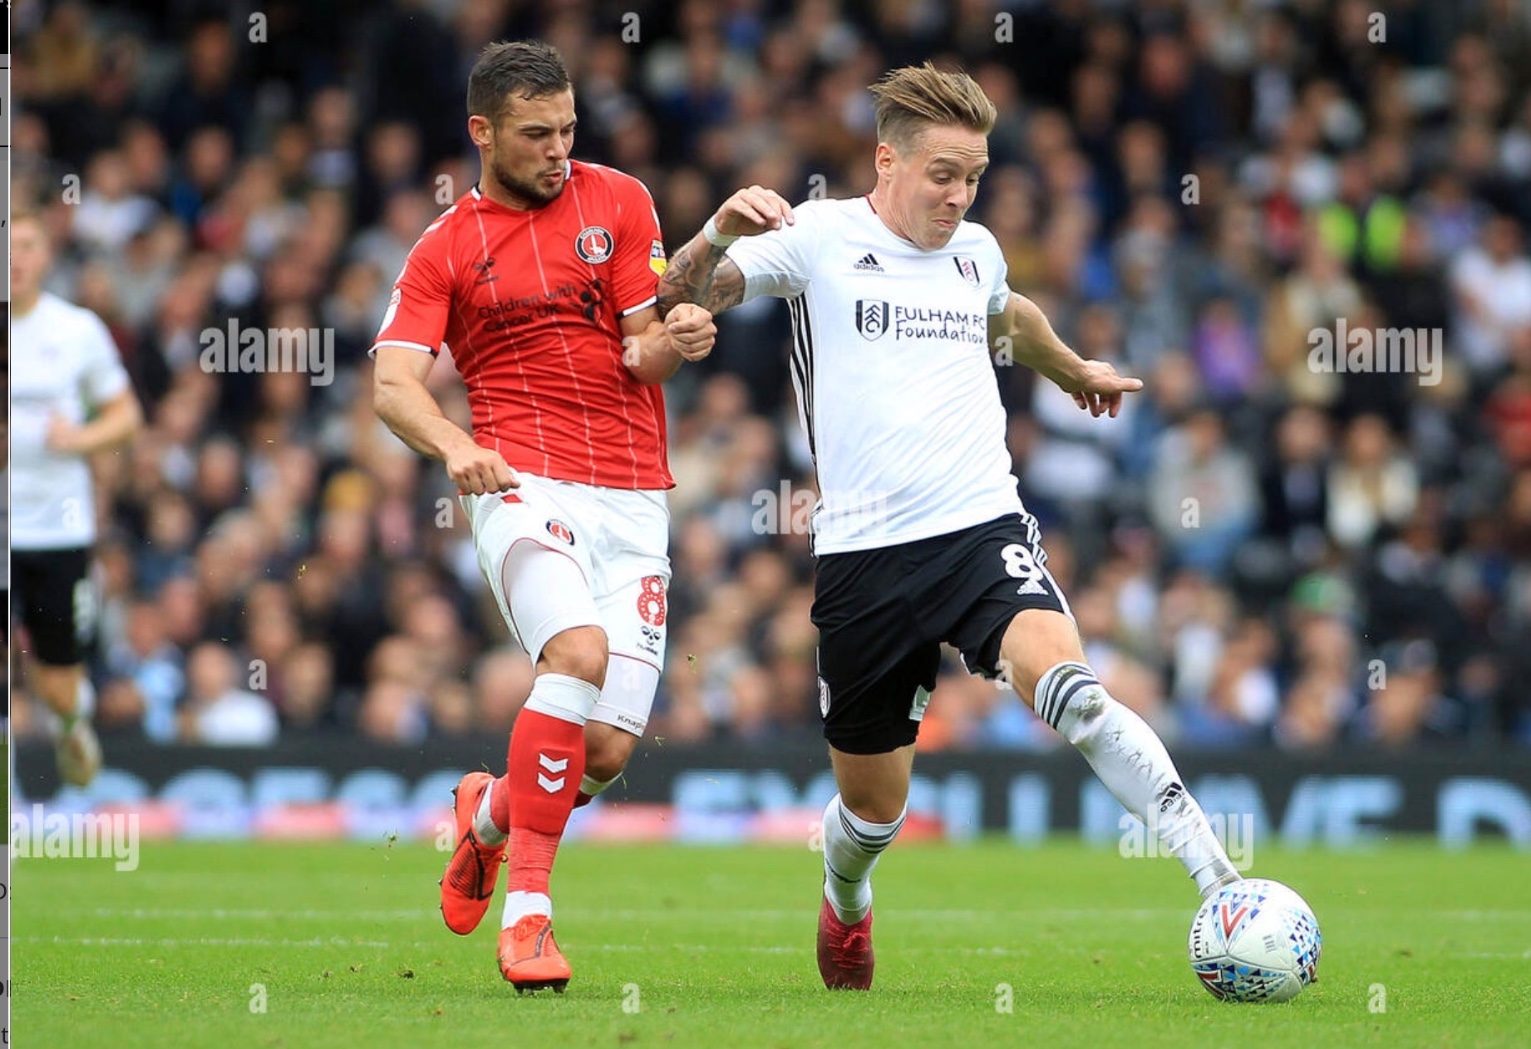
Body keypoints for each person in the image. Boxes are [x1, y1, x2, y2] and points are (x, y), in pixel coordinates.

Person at [659, 63, 1242, 991]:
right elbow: (679, 295)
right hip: (861, 559)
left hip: (980, 530)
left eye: (972, 176)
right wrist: (718, 230)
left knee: (1077, 693)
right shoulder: (817, 237)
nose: (959, 195)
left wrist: (1074, 371)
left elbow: (1009, 315)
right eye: (942, 174)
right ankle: (847, 894)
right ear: (886, 161)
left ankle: (1222, 886)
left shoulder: (976, 250)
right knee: (873, 812)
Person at [371, 41, 715, 993]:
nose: (559, 149)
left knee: (603, 750)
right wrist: (454, 445)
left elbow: (643, 352)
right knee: (575, 653)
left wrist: (679, 337)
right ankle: (529, 916)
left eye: (567, 129)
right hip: (521, 483)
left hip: (635, 496)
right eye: (536, 134)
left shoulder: (622, 200)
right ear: (481, 133)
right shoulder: (445, 246)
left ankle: (487, 817)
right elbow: (392, 383)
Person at [8, 207, 144, 787]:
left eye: (27, 246)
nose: (15, 259)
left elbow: (127, 417)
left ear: (45, 256)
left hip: (56, 529)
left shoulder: (76, 330)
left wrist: (77, 439)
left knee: (57, 679)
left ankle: (70, 724)